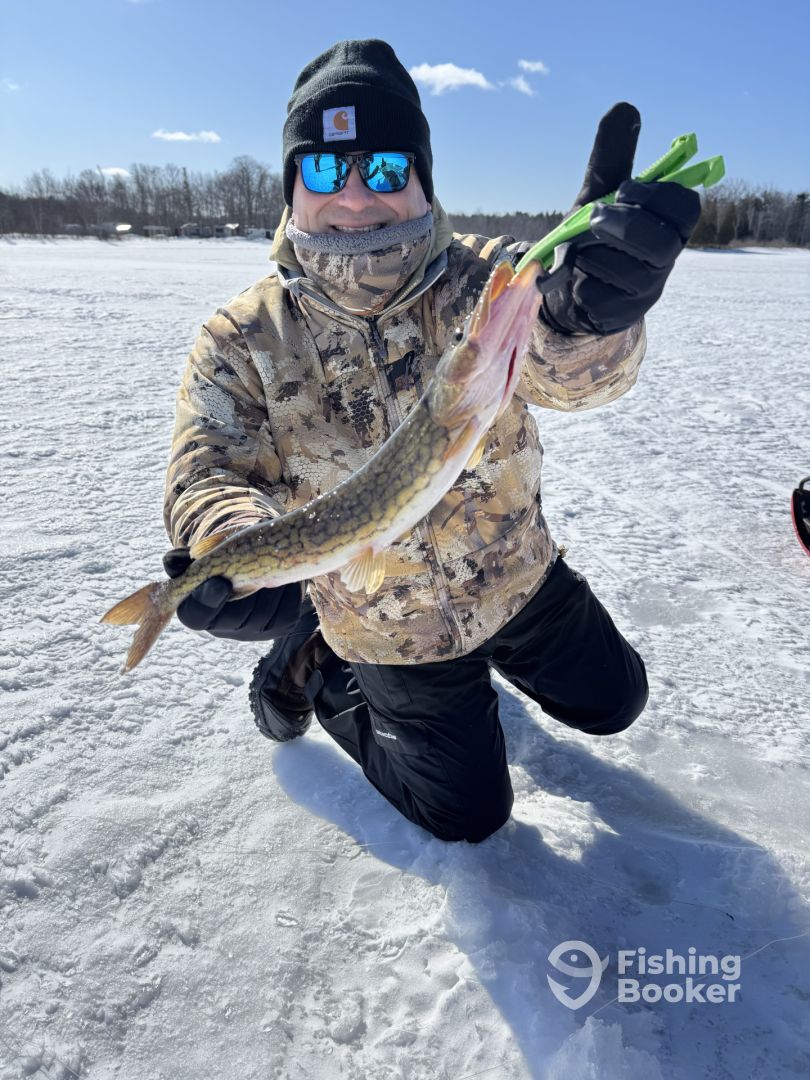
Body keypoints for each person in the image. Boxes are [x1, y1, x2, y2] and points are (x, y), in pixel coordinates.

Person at [162, 40, 700, 843]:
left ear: (421, 178)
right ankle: (320, 661)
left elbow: (565, 370)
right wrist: (227, 543)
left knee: (617, 702)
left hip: (514, 574)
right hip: (382, 619)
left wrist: (585, 321)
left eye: (384, 168)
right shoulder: (240, 338)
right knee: (469, 816)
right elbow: (208, 470)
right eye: (324, 169)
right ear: (292, 186)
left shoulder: (486, 278)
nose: (355, 195)